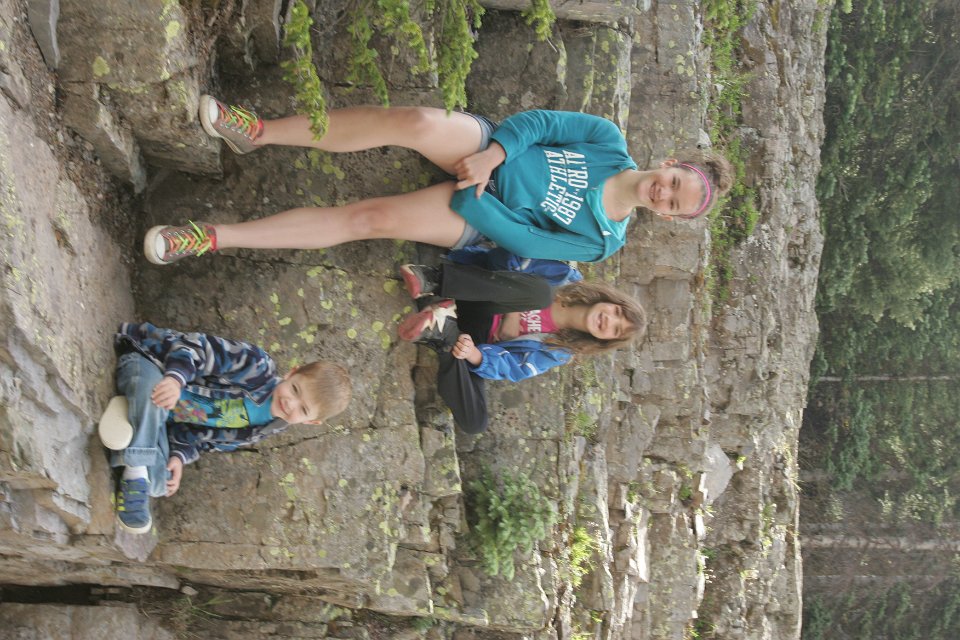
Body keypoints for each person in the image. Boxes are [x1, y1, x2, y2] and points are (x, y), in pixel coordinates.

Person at [143, 96, 734, 266]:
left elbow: (527, 241)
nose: (663, 192)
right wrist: (493, 155)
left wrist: (474, 195)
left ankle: (210, 237)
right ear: (670, 163)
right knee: (417, 122)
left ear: (669, 216)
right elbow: (541, 124)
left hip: (479, 211)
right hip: (493, 151)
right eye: (673, 180)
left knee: (369, 219)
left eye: (673, 203)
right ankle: (258, 131)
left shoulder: (603, 242)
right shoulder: (607, 140)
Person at [97, 322, 352, 534]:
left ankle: (131, 426)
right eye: (295, 389)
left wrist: (180, 454)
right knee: (151, 394)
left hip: (162, 421)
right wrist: (176, 379)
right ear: (292, 373)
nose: (290, 403)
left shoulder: (267, 427)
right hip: (152, 366)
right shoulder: (256, 365)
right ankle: (135, 468)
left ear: (310, 422)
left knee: (161, 483)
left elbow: (206, 440)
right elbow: (197, 348)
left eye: (303, 409)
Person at [394, 247, 647, 434]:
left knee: (475, 421)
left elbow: (515, 368)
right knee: (541, 292)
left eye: (615, 330)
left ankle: (444, 334)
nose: (609, 320)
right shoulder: (564, 278)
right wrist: (513, 311)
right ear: (609, 300)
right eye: (616, 312)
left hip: (472, 338)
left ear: (605, 340)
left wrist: (473, 354)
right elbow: (510, 256)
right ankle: (433, 281)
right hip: (475, 293)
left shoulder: (560, 351)